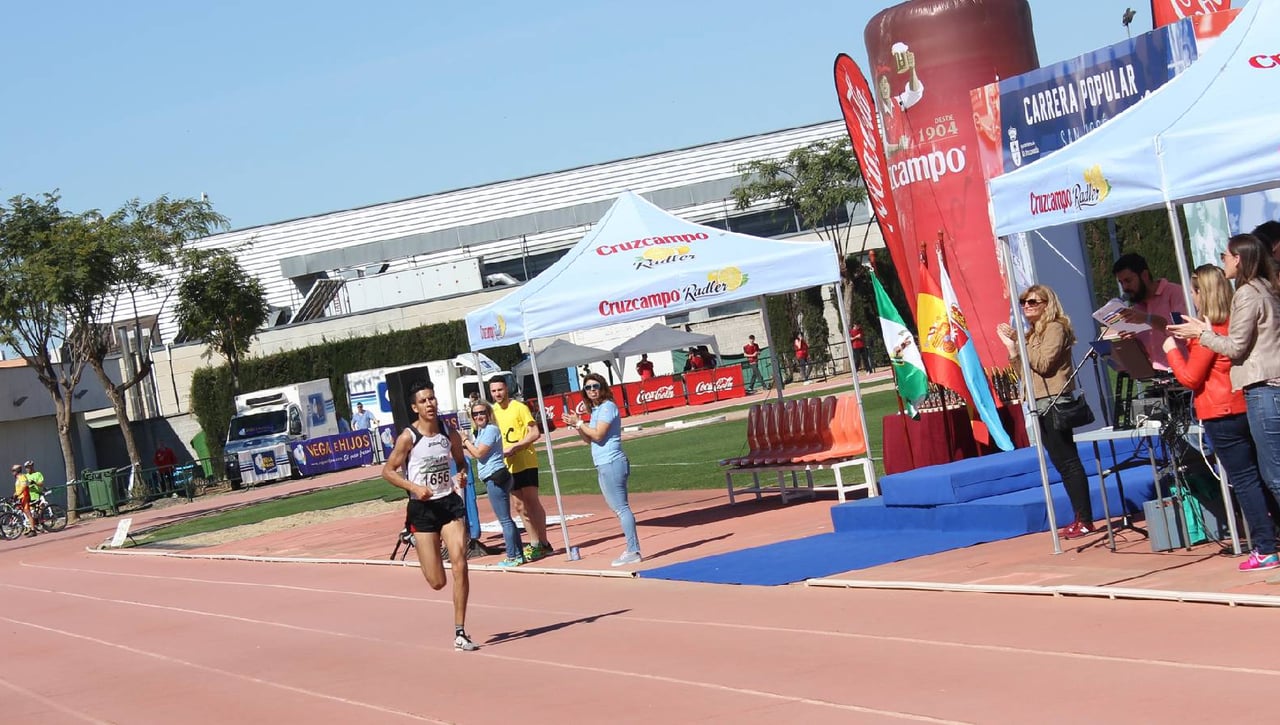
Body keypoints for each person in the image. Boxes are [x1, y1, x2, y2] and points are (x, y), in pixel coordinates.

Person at [1170, 234, 1280, 569]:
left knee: (1259, 477)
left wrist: (1184, 344)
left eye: (1226, 255)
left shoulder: (1246, 296)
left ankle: (1265, 545)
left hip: (1235, 402)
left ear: (1239, 258)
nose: (1224, 260)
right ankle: (1268, 542)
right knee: (1266, 474)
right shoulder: (1265, 289)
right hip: (1249, 398)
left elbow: (1207, 367)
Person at [381, 380, 478, 652]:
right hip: (422, 509)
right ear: (415, 408)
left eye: (432, 399)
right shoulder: (408, 437)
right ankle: (414, 538)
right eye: (423, 401)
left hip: (448, 504)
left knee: (460, 563)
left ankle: (460, 632)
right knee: (437, 582)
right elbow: (388, 471)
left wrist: (462, 474)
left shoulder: (449, 432)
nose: (429, 404)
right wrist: (414, 488)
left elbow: (461, 462)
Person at [997, 284, 1096, 539]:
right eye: (1024, 302)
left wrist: (1020, 340)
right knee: (1061, 463)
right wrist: (1012, 348)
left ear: (1046, 304)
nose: (1027, 306)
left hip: (1055, 401)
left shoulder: (1055, 328)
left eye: (1033, 302)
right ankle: (1079, 516)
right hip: (1039, 402)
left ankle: (1085, 518)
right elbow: (1025, 372)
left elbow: (1043, 363)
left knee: (1069, 461)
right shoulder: (1032, 333)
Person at [562, 373, 641, 567]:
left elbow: (598, 435)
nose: (592, 390)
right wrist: (577, 425)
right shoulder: (597, 410)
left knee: (621, 508)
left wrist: (579, 423)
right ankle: (632, 549)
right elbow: (589, 439)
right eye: (588, 388)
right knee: (619, 508)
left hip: (611, 461)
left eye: (595, 386)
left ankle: (633, 550)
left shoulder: (607, 407)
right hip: (604, 462)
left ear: (602, 387)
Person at [488, 378, 554, 562]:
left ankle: (544, 543)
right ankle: (534, 543)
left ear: (506, 389)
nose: (497, 394)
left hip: (525, 461)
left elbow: (535, 433)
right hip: (507, 464)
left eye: (500, 390)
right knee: (519, 506)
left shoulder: (519, 407)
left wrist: (517, 446)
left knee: (532, 502)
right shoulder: (492, 412)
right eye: (494, 391)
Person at [461, 399, 524, 568]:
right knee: (507, 519)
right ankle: (518, 554)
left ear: (488, 414)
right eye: (475, 414)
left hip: (495, 477)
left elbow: (479, 453)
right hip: (496, 476)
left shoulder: (490, 430)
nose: (479, 416)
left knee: (504, 520)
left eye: (482, 412)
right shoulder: (481, 431)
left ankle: (512, 556)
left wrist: (465, 441)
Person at [1112, 253, 1186, 371]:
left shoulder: (1175, 293)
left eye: (1128, 281)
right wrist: (1131, 341)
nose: (1125, 288)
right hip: (1156, 376)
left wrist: (1148, 319)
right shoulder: (1137, 308)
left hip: (1183, 372)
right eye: (1121, 283)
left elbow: (1182, 330)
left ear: (1145, 275)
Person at [12, 464, 35, 536]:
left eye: (13, 470)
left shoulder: (22, 477)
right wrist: (15, 494)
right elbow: (19, 488)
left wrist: (17, 493)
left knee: (28, 512)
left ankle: (33, 530)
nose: (12, 472)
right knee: (24, 512)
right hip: (21, 497)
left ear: (17, 471)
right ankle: (28, 528)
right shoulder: (18, 478)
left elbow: (24, 486)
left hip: (25, 496)